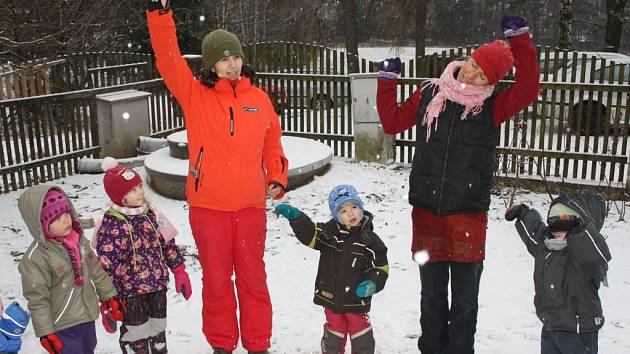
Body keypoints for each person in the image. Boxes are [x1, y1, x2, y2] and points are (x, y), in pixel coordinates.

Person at [376, 15, 540, 353]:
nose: (473, 74)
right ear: (469, 58)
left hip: (467, 215)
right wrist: (387, 81)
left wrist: (520, 42)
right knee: (431, 293)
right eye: (474, 65)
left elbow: (528, 88)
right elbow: (392, 123)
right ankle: (431, 348)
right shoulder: (428, 94)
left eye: (484, 75)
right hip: (426, 212)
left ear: (493, 81)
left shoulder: (494, 106)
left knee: (465, 299)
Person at [145, 1, 288, 353]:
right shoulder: (195, 94)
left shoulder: (259, 98)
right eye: (224, 59)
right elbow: (168, 58)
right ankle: (222, 344)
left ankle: (258, 344)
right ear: (211, 64)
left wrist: (276, 176)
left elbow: (273, 142)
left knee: (254, 280)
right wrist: (159, 16)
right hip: (209, 208)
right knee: (218, 282)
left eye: (235, 57)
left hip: (251, 207)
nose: (232, 65)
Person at [92, 157, 191, 354]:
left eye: (139, 186)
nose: (140, 192)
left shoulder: (152, 213)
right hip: (130, 292)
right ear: (120, 197)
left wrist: (179, 270)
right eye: (133, 190)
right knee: (136, 333)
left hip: (157, 286)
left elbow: (167, 242)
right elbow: (105, 265)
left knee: (158, 328)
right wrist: (107, 299)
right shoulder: (111, 224)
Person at [274, 184, 389, 354]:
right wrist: (296, 217)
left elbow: (380, 266)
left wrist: (372, 282)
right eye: (343, 210)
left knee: (361, 333)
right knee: (334, 332)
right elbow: (310, 233)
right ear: (336, 216)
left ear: (361, 207)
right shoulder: (329, 234)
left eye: (354, 207)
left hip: (357, 299)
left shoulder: (370, 240)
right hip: (331, 298)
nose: (351, 213)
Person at [17, 185, 125, 354]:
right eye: (57, 218)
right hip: (61, 325)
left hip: (86, 316)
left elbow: (96, 270)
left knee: (88, 349)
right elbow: (38, 299)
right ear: (42, 224)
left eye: (67, 213)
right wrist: (46, 332)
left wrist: (110, 296)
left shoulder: (78, 240)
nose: (66, 220)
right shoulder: (36, 259)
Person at [505, 189, 611, 354]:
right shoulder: (546, 247)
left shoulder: (586, 250)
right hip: (551, 326)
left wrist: (583, 229)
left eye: (564, 221)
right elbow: (536, 232)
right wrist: (523, 213)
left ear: (580, 223)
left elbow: (596, 258)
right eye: (552, 222)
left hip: (578, 331)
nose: (556, 230)